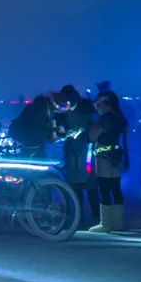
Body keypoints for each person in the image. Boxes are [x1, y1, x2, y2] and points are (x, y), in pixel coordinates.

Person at [54, 85, 98, 227]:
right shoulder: (64, 110)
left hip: (86, 149)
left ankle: (96, 216)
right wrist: (63, 133)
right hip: (72, 149)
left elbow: (94, 127)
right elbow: (59, 128)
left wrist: (83, 134)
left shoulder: (86, 107)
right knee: (74, 185)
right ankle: (79, 217)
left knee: (89, 184)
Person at [88, 90, 129, 232]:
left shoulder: (104, 120)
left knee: (104, 187)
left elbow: (93, 137)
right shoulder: (120, 118)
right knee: (116, 188)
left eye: (99, 105)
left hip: (103, 154)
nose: (97, 108)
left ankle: (105, 223)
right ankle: (118, 222)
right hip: (116, 153)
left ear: (106, 104)